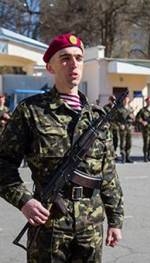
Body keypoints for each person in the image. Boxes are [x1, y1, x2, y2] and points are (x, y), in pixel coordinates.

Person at [0, 33, 124, 262]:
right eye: (65, 58)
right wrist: (24, 201)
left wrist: (115, 220)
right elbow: (2, 164)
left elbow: (108, 174)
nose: (73, 64)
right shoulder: (31, 112)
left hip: (91, 227)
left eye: (78, 58)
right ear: (50, 67)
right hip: (49, 227)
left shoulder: (97, 117)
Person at [136, 96, 150, 162]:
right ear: (146, 102)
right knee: (146, 142)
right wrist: (142, 121)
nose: (149, 102)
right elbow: (137, 118)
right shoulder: (142, 110)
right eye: (148, 101)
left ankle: (149, 154)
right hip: (146, 128)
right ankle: (145, 156)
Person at [116, 95, 134, 163]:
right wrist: (120, 125)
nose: (126, 100)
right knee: (122, 143)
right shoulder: (119, 109)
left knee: (129, 142)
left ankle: (127, 156)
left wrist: (132, 117)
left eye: (127, 99)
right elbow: (115, 119)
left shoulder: (131, 108)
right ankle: (123, 156)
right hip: (123, 128)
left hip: (129, 127)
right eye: (124, 99)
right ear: (123, 101)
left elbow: (133, 118)